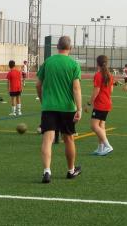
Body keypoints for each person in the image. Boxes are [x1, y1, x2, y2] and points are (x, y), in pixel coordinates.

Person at [36, 36, 82, 183]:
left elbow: (38, 85)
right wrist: (79, 108)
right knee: (68, 138)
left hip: (49, 106)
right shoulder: (73, 64)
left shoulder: (48, 62)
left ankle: (47, 171)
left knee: (47, 139)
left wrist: (44, 101)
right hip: (67, 108)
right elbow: (76, 88)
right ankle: (70, 170)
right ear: (71, 48)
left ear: (57, 47)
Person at [87, 55, 113, 156]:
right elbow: (111, 90)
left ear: (97, 63)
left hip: (100, 104)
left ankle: (108, 146)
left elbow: (96, 90)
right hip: (107, 103)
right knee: (101, 126)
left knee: (94, 126)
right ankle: (100, 148)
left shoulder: (98, 75)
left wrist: (89, 103)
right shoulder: (109, 75)